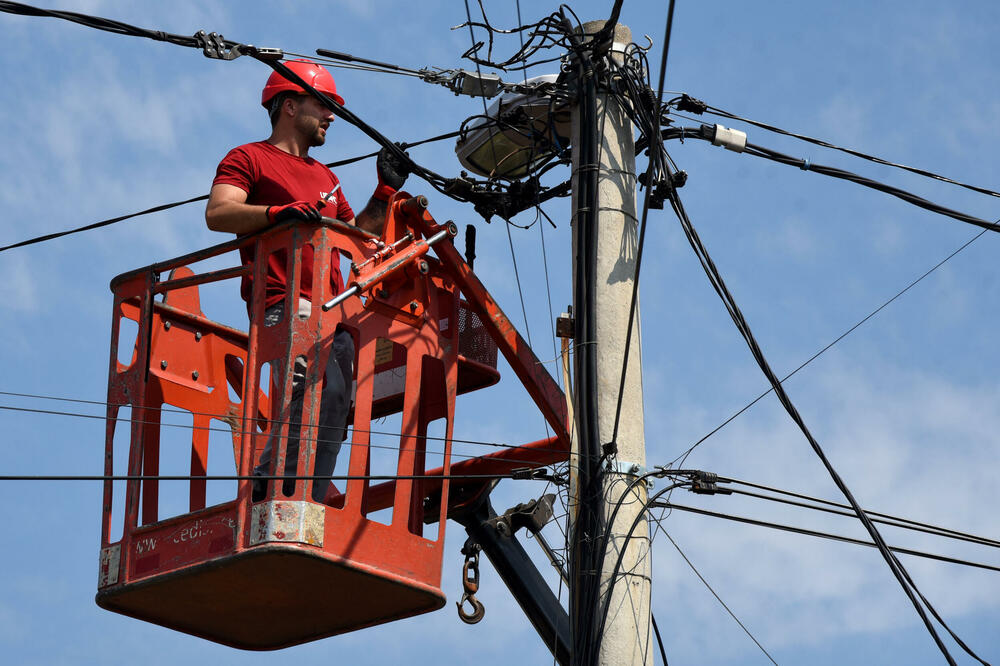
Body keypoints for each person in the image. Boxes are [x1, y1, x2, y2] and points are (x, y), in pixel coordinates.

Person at [205, 59, 409, 502]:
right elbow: (218, 213)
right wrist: (276, 214)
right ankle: (277, 488)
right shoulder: (249, 158)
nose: (332, 117)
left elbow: (360, 238)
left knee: (334, 400)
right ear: (290, 106)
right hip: (287, 300)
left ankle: (297, 492)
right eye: (325, 106)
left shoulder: (326, 177)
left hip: (332, 310)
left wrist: (385, 191)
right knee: (313, 395)